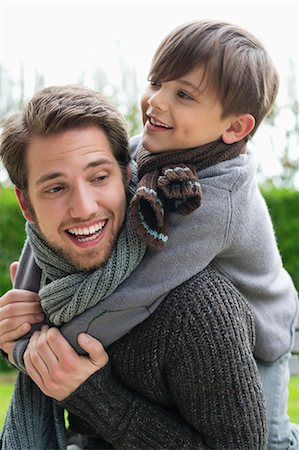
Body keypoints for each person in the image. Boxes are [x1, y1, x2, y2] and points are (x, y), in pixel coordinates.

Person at [1, 18, 299, 447]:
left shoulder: (218, 202)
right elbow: (37, 241)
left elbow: (142, 287)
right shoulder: (154, 149)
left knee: (272, 440)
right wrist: (20, 323)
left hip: (264, 334)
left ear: (235, 128)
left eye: (183, 94)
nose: (156, 102)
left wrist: (44, 348)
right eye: (156, 82)